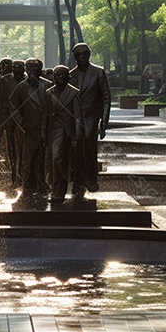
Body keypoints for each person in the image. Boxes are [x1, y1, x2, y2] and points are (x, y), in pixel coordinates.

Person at [69, 42, 110, 202]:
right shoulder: (71, 75)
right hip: (74, 118)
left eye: (85, 54)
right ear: (75, 57)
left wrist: (104, 122)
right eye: (80, 55)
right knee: (75, 150)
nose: (83, 57)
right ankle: (78, 182)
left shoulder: (98, 72)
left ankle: (91, 181)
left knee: (88, 148)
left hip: (91, 117)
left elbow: (106, 97)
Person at [9, 58, 51, 208]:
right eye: (31, 69)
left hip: (43, 127)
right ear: (27, 71)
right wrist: (21, 122)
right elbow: (13, 107)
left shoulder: (47, 85)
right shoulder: (21, 87)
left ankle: (42, 185)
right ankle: (26, 185)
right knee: (26, 159)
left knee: (42, 159)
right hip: (27, 129)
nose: (34, 72)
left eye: (36, 69)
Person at [46, 65, 83, 209]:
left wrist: (78, 135)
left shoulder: (73, 93)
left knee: (64, 161)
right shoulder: (49, 93)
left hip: (68, 132)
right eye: (57, 75)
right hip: (54, 131)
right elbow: (46, 115)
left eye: (62, 75)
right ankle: (57, 189)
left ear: (68, 77)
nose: (59, 78)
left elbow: (78, 116)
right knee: (55, 160)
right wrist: (44, 133)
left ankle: (63, 188)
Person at [0, 59, 26, 192]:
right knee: (12, 147)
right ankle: (14, 175)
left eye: (20, 66)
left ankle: (25, 175)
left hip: (27, 118)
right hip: (9, 118)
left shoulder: (29, 80)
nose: (17, 68)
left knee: (25, 148)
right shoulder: (4, 80)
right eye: (15, 66)